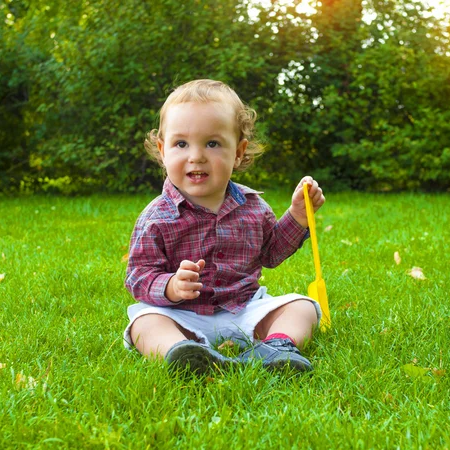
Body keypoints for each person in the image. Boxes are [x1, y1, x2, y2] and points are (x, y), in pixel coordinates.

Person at [123, 79, 326, 374]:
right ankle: (182, 353)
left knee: (303, 307)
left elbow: (271, 253)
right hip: (182, 315)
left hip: (244, 308)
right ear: (162, 150)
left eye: (213, 143)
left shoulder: (254, 208)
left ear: (239, 152)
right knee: (144, 323)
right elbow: (138, 277)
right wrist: (171, 286)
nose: (196, 156)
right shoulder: (156, 217)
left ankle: (277, 347)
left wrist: (297, 215)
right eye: (181, 143)